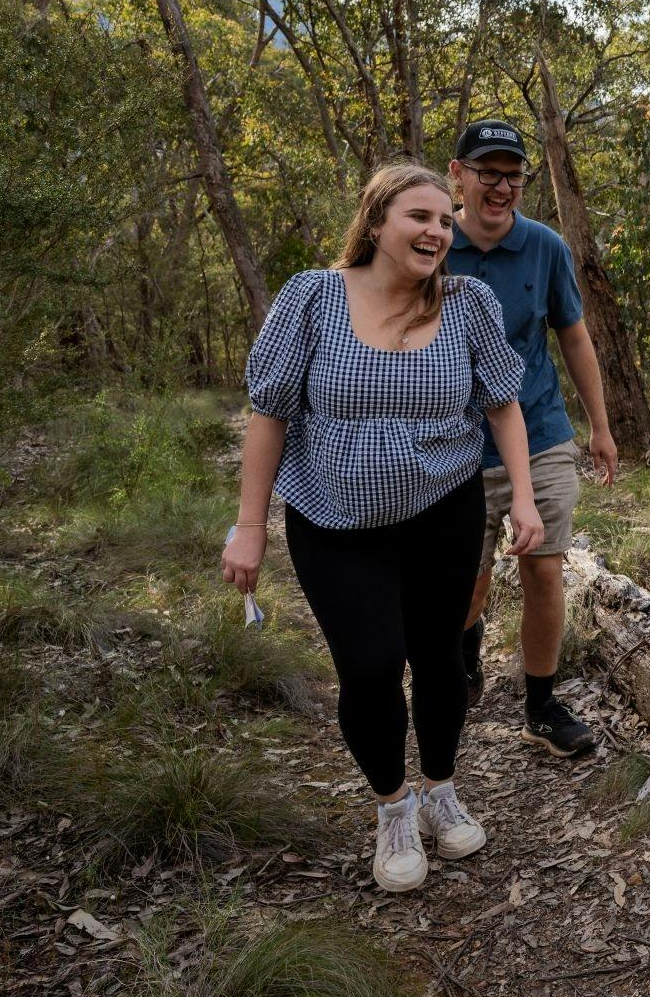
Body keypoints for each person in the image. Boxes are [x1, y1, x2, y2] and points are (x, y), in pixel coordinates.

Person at [222, 162, 546, 895]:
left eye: (444, 221)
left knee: (439, 658)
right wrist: (249, 526)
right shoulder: (311, 297)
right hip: (333, 518)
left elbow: (503, 405)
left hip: (444, 509)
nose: (437, 232)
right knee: (369, 666)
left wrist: (523, 499)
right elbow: (269, 414)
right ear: (375, 223)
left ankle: (440, 788)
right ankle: (393, 807)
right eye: (419, 217)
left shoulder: (467, 303)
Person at [444, 118, 619, 759]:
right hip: (453, 444)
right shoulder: (432, 243)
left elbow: (573, 335)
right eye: (487, 173)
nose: (502, 187)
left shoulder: (544, 246)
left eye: (513, 176)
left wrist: (599, 426)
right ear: (457, 175)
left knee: (544, 571)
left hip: (540, 432)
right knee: (467, 583)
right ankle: (462, 657)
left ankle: (541, 706)